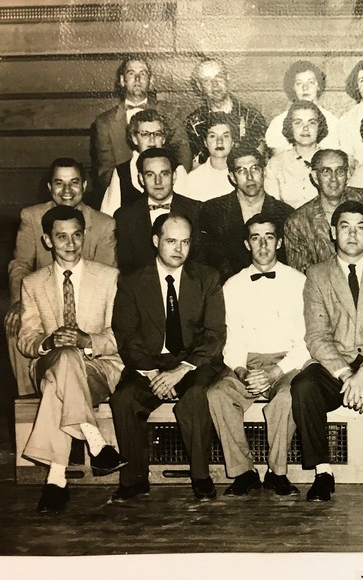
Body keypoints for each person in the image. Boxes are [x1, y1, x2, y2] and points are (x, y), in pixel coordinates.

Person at [291, 201, 363, 505]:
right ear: (333, 232)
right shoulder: (317, 274)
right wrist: (346, 374)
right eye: (345, 227)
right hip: (337, 362)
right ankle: (322, 472)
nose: (353, 234)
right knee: (303, 385)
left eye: (360, 227)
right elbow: (316, 335)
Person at [109, 214, 226, 501]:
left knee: (196, 395)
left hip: (192, 363)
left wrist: (181, 370)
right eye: (171, 241)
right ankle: (135, 479)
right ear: (155, 240)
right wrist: (152, 373)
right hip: (148, 364)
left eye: (185, 242)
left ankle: (201, 476)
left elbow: (214, 335)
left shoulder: (207, 278)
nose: (179, 249)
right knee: (124, 399)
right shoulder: (132, 280)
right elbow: (126, 334)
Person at [17, 206, 125, 512]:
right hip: (49, 363)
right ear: (47, 240)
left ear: (84, 235)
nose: (71, 243)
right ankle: (95, 441)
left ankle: (56, 478)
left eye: (76, 235)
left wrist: (87, 341)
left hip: (97, 367)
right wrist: (48, 341)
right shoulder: (33, 283)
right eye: (61, 236)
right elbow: (26, 339)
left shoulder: (108, 277)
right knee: (63, 356)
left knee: (58, 384)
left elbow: (122, 334)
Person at [206, 214, 309, 497]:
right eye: (256, 238)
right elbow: (231, 339)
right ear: (246, 244)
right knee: (218, 394)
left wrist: (276, 372)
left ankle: (277, 473)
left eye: (269, 237)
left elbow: (305, 340)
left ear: (280, 242)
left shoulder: (298, 281)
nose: (263, 245)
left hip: (286, 364)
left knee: (288, 396)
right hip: (247, 363)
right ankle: (244, 472)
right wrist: (241, 372)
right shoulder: (233, 285)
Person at [7, 158, 117, 396]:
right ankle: (28, 396)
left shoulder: (103, 224)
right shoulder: (32, 217)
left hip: (88, 311)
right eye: (59, 183)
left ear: (84, 185)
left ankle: (43, 402)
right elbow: (21, 264)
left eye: (74, 182)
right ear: (50, 187)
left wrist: (84, 338)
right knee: (16, 325)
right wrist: (19, 302)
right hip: (45, 304)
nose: (67, 190)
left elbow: (105, 276)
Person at [283, 149, 363, 271]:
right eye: (326, 172)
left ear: (348, 174)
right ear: (315, 177)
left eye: (340, 171)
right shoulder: (298, 222)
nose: (333, 179)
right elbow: (302, 275)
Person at [91, 56, 189, 189]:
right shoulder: (105, 122)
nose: (137, 79)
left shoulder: (171, 113)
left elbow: (183, 159)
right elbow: (105, 171)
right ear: (122, 80)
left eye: (143, 74)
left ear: (151, 81)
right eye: (131, 73)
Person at [199, 146, 295, 281]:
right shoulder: (212, 211)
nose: (249, 177)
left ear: (264, 172)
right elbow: (206, 264)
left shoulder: (286, 214)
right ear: (232, 177)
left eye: (254, 169)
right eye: (241, 171)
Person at [114, 147, 202, 275]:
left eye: (164, 174)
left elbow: (200, 263)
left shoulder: (196, 210)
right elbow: (126, 268)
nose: (158, 181)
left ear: (174, 176)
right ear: (141, 179)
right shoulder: (125, 216)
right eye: (150, 175)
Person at [100, 108, 190, 216]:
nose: (152, 139)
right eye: (145, 134)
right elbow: (108, 216)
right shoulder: (122, 172)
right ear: (134, 138)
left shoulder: (177, 170)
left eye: (157, 134)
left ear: (163, 139)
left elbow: (186, 211)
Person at [184, 58, 266, 167]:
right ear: (199, 86)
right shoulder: (194, 123)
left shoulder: (251, 117)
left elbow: (258, 162)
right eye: (207, 80)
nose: (215, 84)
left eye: (219, 77)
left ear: (228, 77)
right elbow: (197, 164)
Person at [264, 100, 330, 208]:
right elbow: (272, 208)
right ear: (290, 127)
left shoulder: (331, 160)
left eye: (312, 122)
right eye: (298, 123)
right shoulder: (276, 164)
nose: (305, 128)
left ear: (320, 127)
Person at [264, 60, 339, 155]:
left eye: (311, 82)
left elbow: (331, 158)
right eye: (299, 83)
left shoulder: (332, 122)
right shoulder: (278, 123)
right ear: (293, 87)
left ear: (319, 86)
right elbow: (279, 159)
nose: (305, 88)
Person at [183, 113, 237, 202]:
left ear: (233, 142)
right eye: (212, 136)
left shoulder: (241, 176)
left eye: (225, 136)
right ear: (205, 142)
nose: (219, 141)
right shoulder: (192, 179)